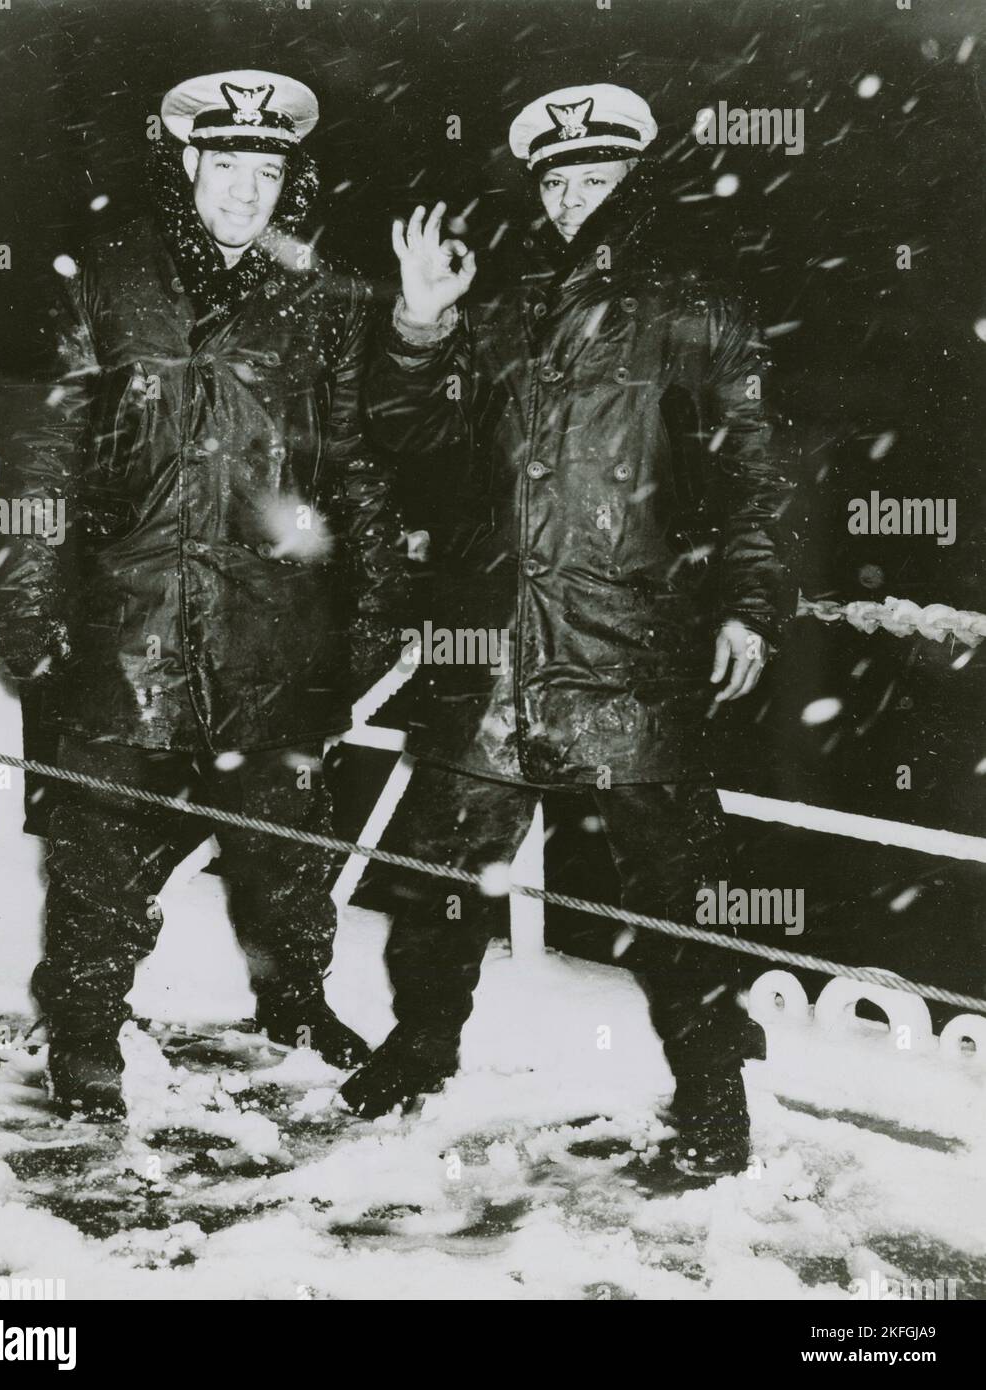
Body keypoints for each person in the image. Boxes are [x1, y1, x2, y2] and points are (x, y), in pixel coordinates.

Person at [345, 84, 797, 1183]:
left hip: (628, 643)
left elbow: (750, 472)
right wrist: (416, 322)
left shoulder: (698, 308)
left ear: (634, 184)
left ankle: (711, 1102)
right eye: (556, 182)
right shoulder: (498, 311)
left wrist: (747, 603)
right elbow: (413, 440)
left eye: (594, 179)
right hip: (493, 650)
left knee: (675, 890)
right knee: (438, 875)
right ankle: (417, 1052)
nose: (571, 199)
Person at [0, 70, 408, 1121]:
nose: (244, 193)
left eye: (266, 172)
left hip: (274, 626)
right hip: (126, 617)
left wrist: (373, 602)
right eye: (226, 167)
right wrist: (27, 598)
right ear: (189, 165)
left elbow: (351, 462)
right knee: (98, 852)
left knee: (290, 839)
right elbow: (47, 453)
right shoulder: (106, 275)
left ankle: (296, 1004)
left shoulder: (325, 295)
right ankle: (84, 1039)